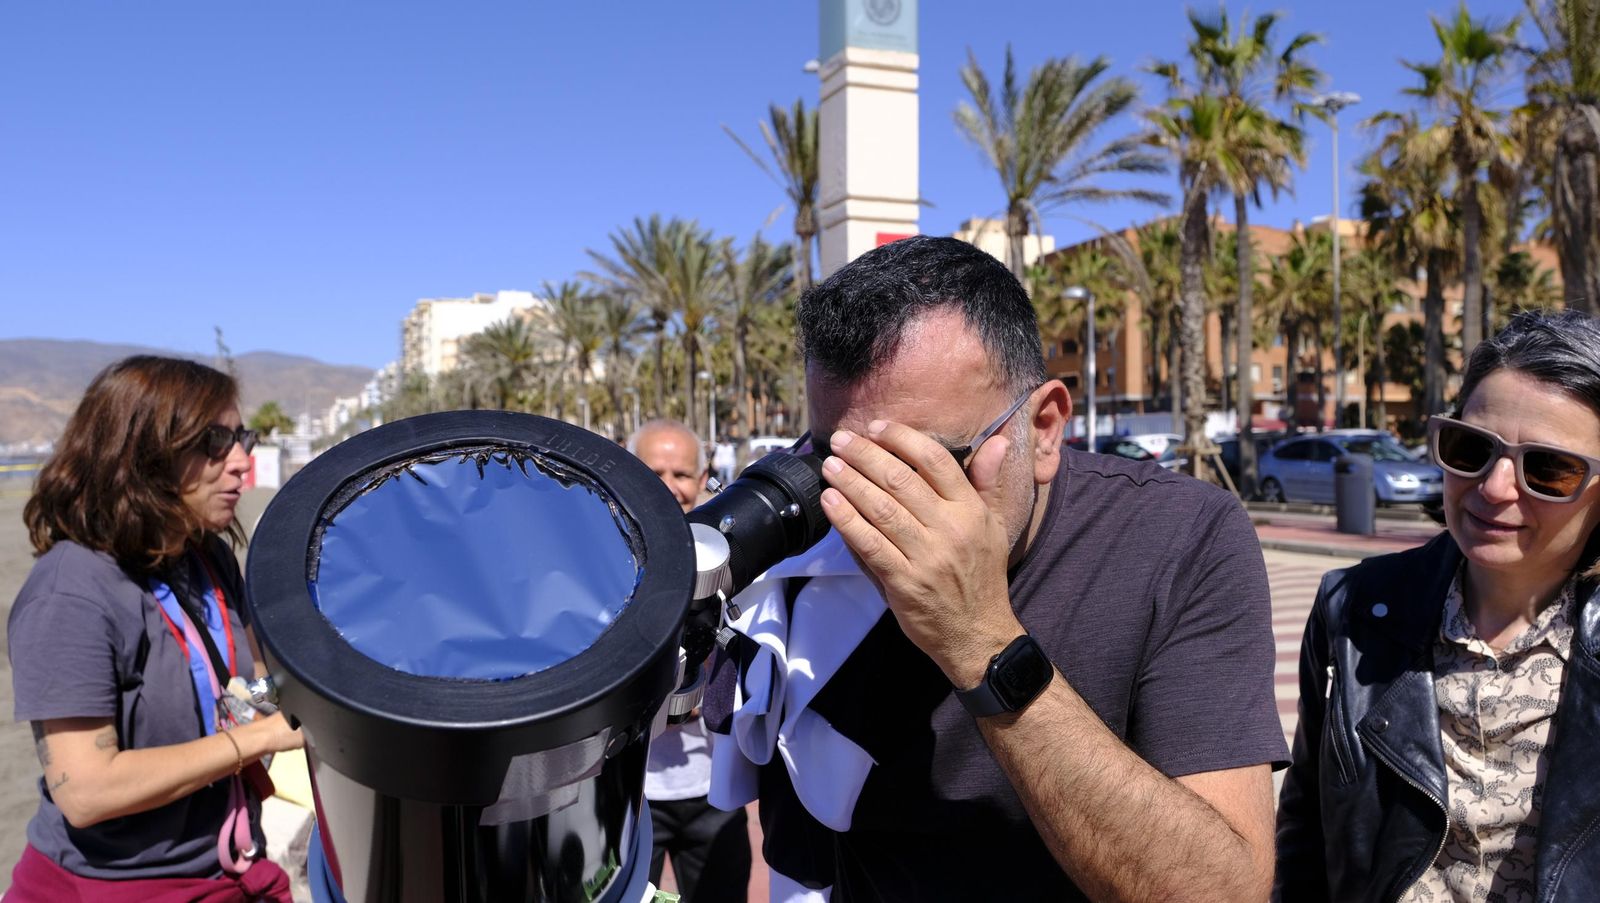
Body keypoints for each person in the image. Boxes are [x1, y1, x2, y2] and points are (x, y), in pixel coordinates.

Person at [709, 235, 1286, 901]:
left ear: (1041, 428)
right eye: (836, 462)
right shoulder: (807, 539)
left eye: (925, 466)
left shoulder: (1178, 537)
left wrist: (983, 641)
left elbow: (1223, 891)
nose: (872, 508)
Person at [1276, 309, 1600, 901]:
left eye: (1549, 468)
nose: (1496, 487)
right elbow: (1306, 829)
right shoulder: (1352, 608)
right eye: (1471, 446)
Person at [7, 356, 304, 902]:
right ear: (142, 453)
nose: (242, 462)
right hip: (112, 889)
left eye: (244, 437)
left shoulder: (208, 559)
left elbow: (255, 686)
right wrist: (260, 738)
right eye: (216, 441)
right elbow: (87, 791)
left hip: (233, 869)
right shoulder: (70, 592)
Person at [629, 419, 751, 902]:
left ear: (704, 481)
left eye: (681, 474)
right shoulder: (603, 563)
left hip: (714, 793)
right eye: (653, 471)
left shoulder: (740, 562)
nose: (669, 486)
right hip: (633, 797)